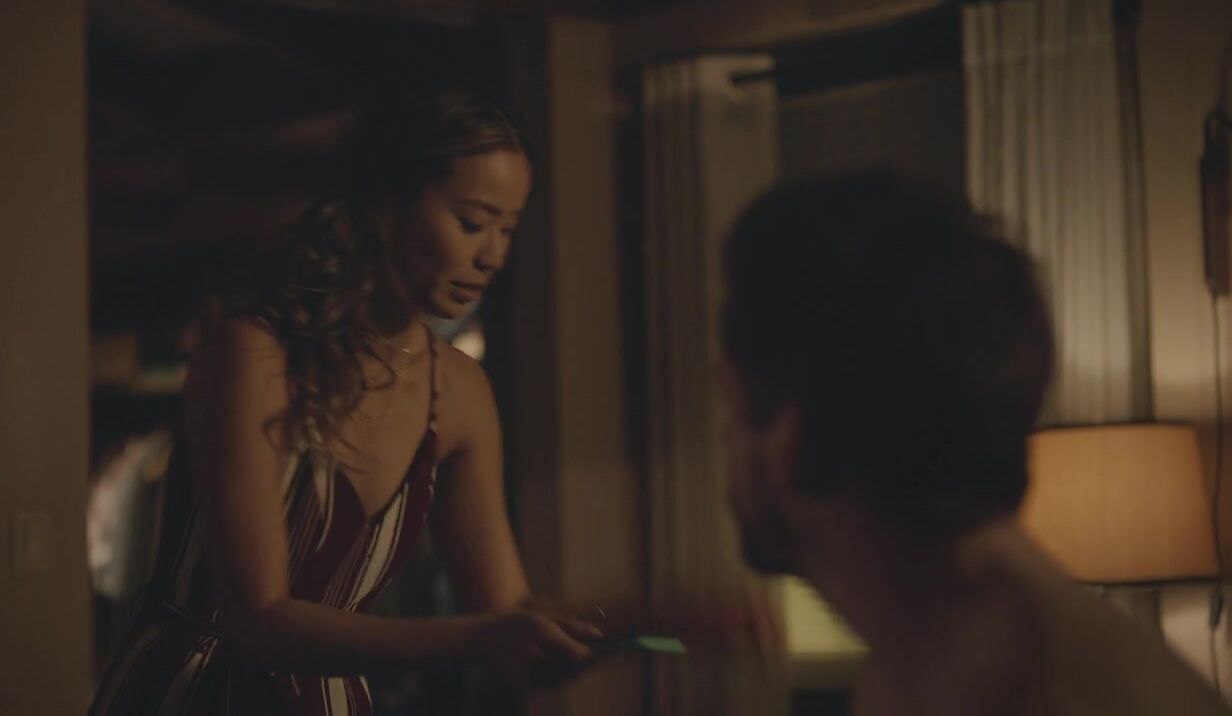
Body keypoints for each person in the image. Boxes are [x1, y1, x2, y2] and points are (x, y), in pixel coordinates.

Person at [89, 90, 602, 715]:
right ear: (387, 204)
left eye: (508, 228)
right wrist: (480, 639)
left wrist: (584, 633)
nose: (493, 255)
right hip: (189, 694)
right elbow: (256, 620)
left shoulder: (461, 394)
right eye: (472, 222)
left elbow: (507, 612)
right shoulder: (254, 354)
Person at [718, 171, 1231, 715]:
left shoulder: (1039, 694)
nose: (723, 442)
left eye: (729, 405)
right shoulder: (919, 671)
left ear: (790, 439)